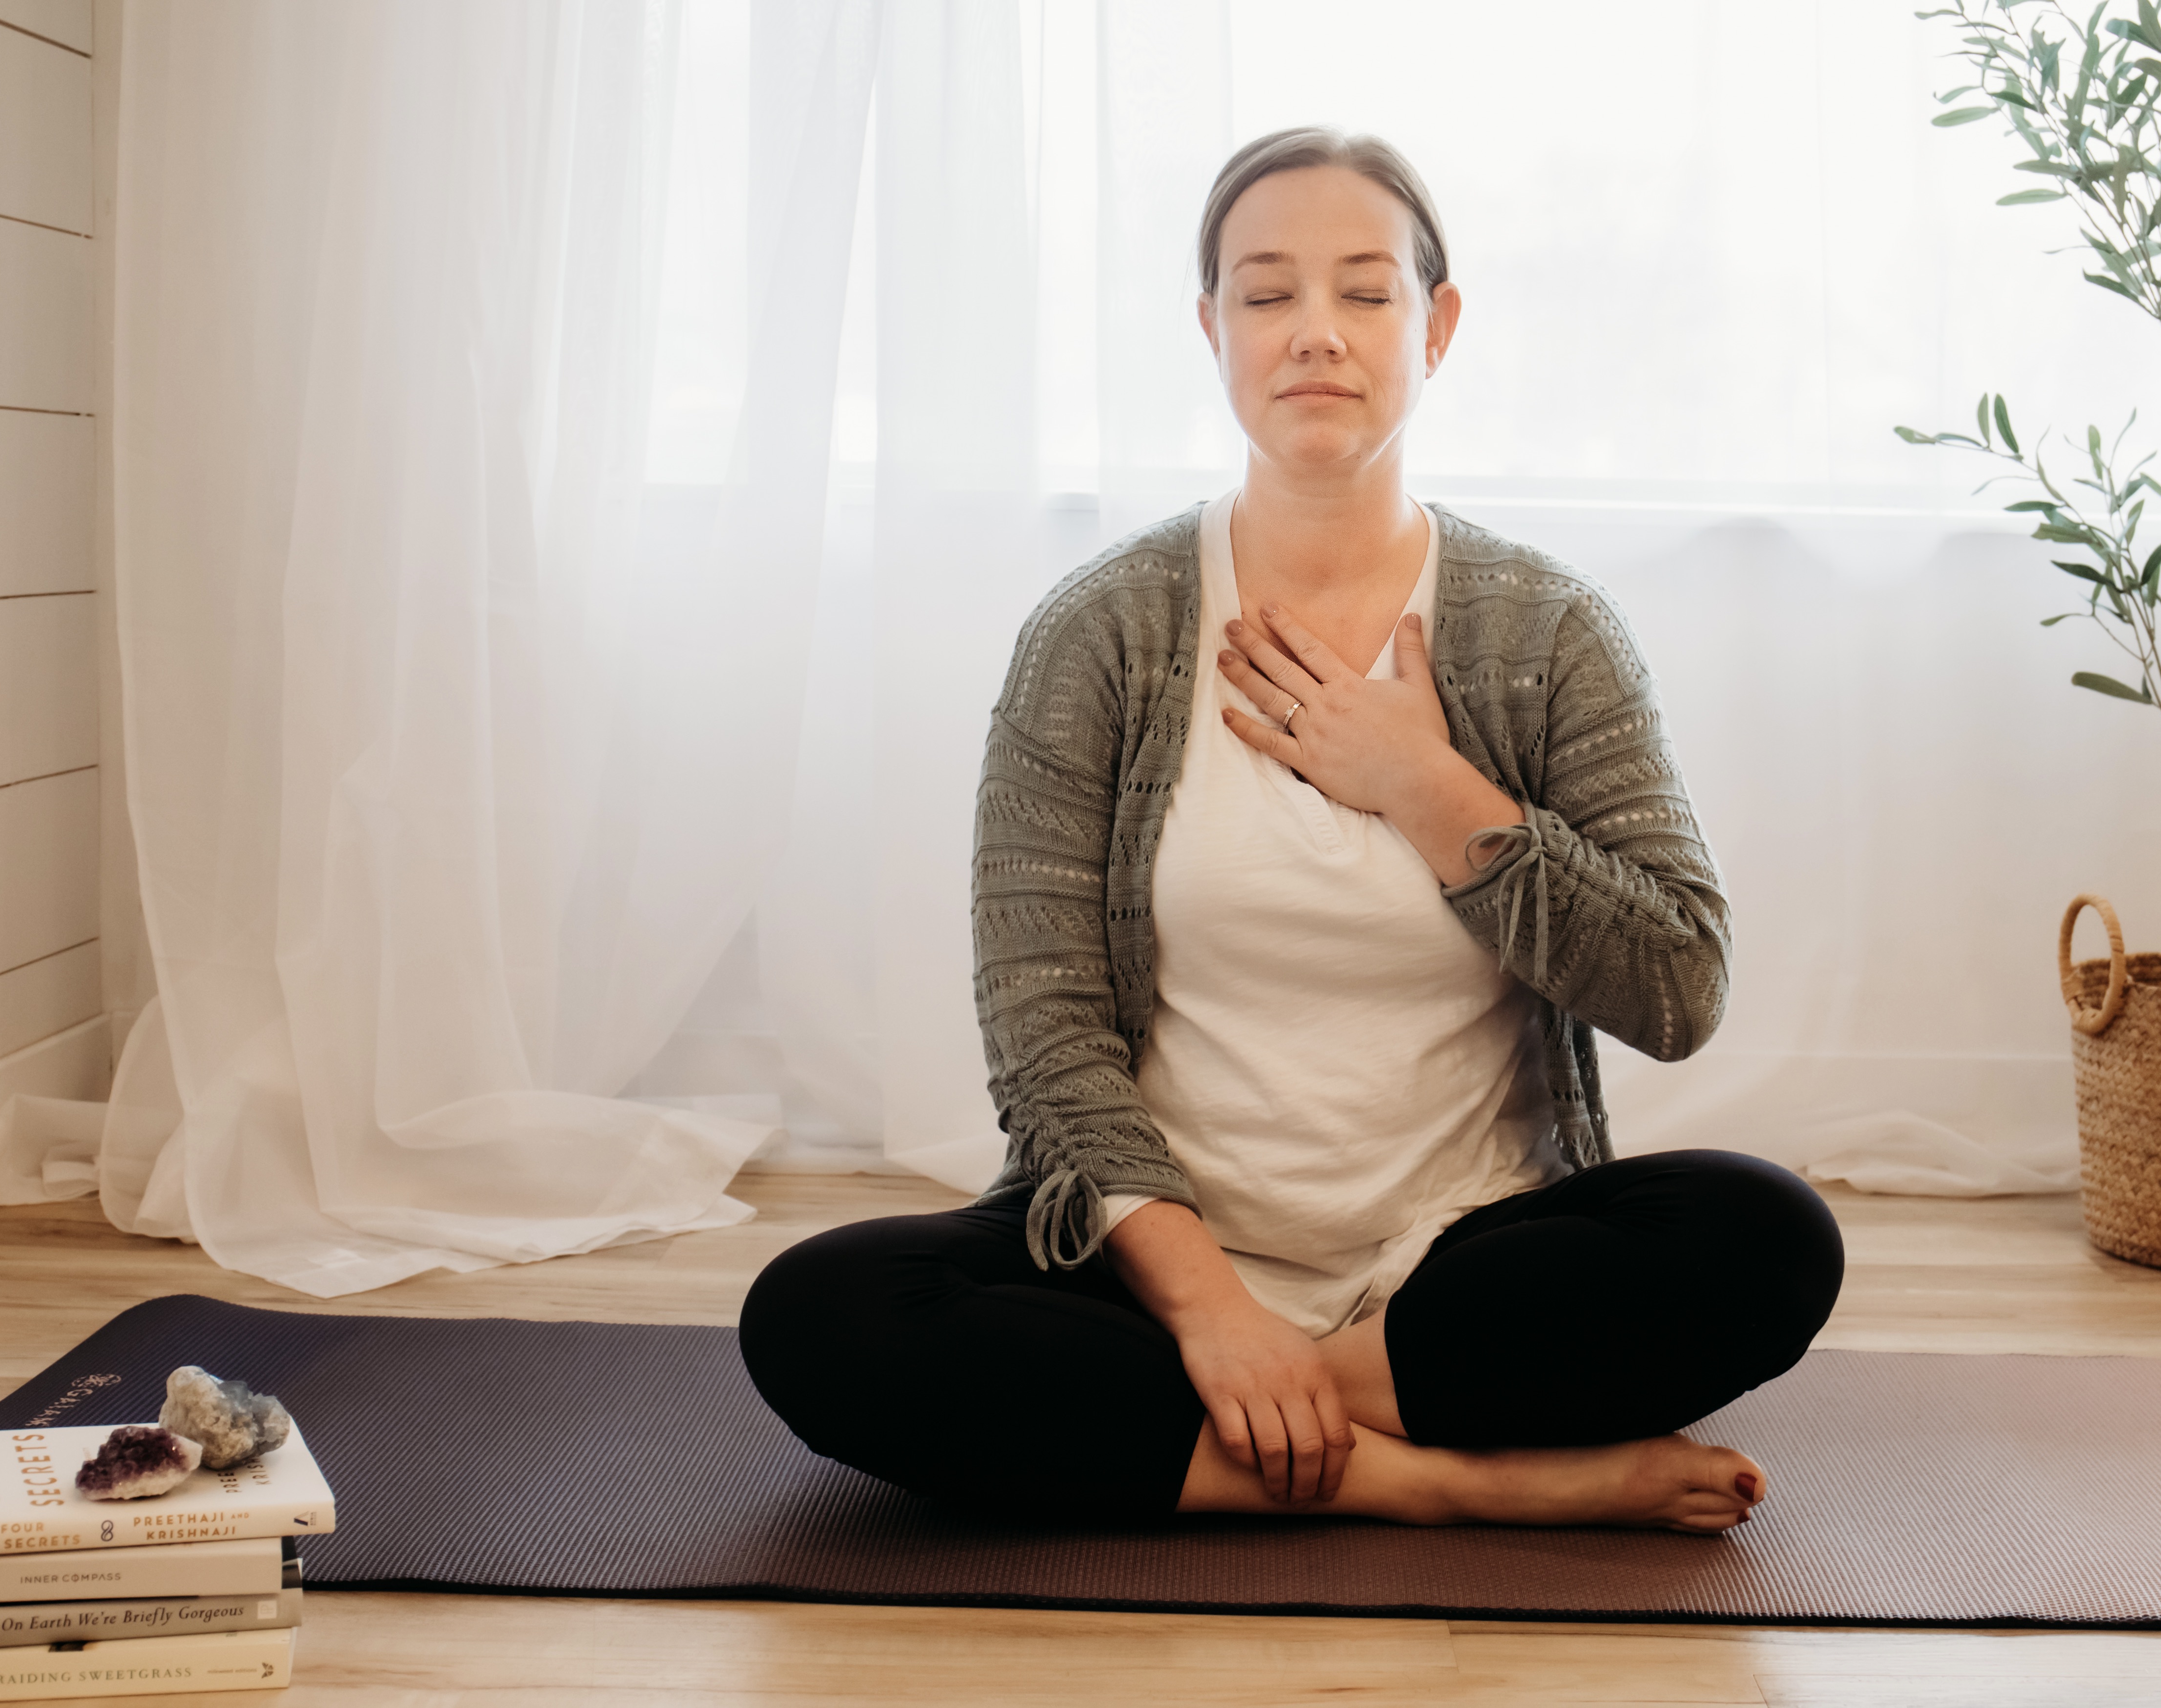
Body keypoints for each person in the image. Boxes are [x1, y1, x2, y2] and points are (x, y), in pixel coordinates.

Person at [740, 127, 1842, 1531]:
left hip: (1456, 1261)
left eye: (1364, 292)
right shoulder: (1099, 633)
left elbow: (1679, 985)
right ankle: (1435, 1480)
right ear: (1211, 330)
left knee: (1764, 1234)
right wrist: (1212, 1313)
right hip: (1152, 1266)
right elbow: (1042, 1030)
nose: (1313, 332)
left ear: (1435, 327)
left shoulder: (1547, 634)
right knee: (819, 1313)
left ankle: (1247, 1427)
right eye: (1265, 295)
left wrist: (1428, 787)